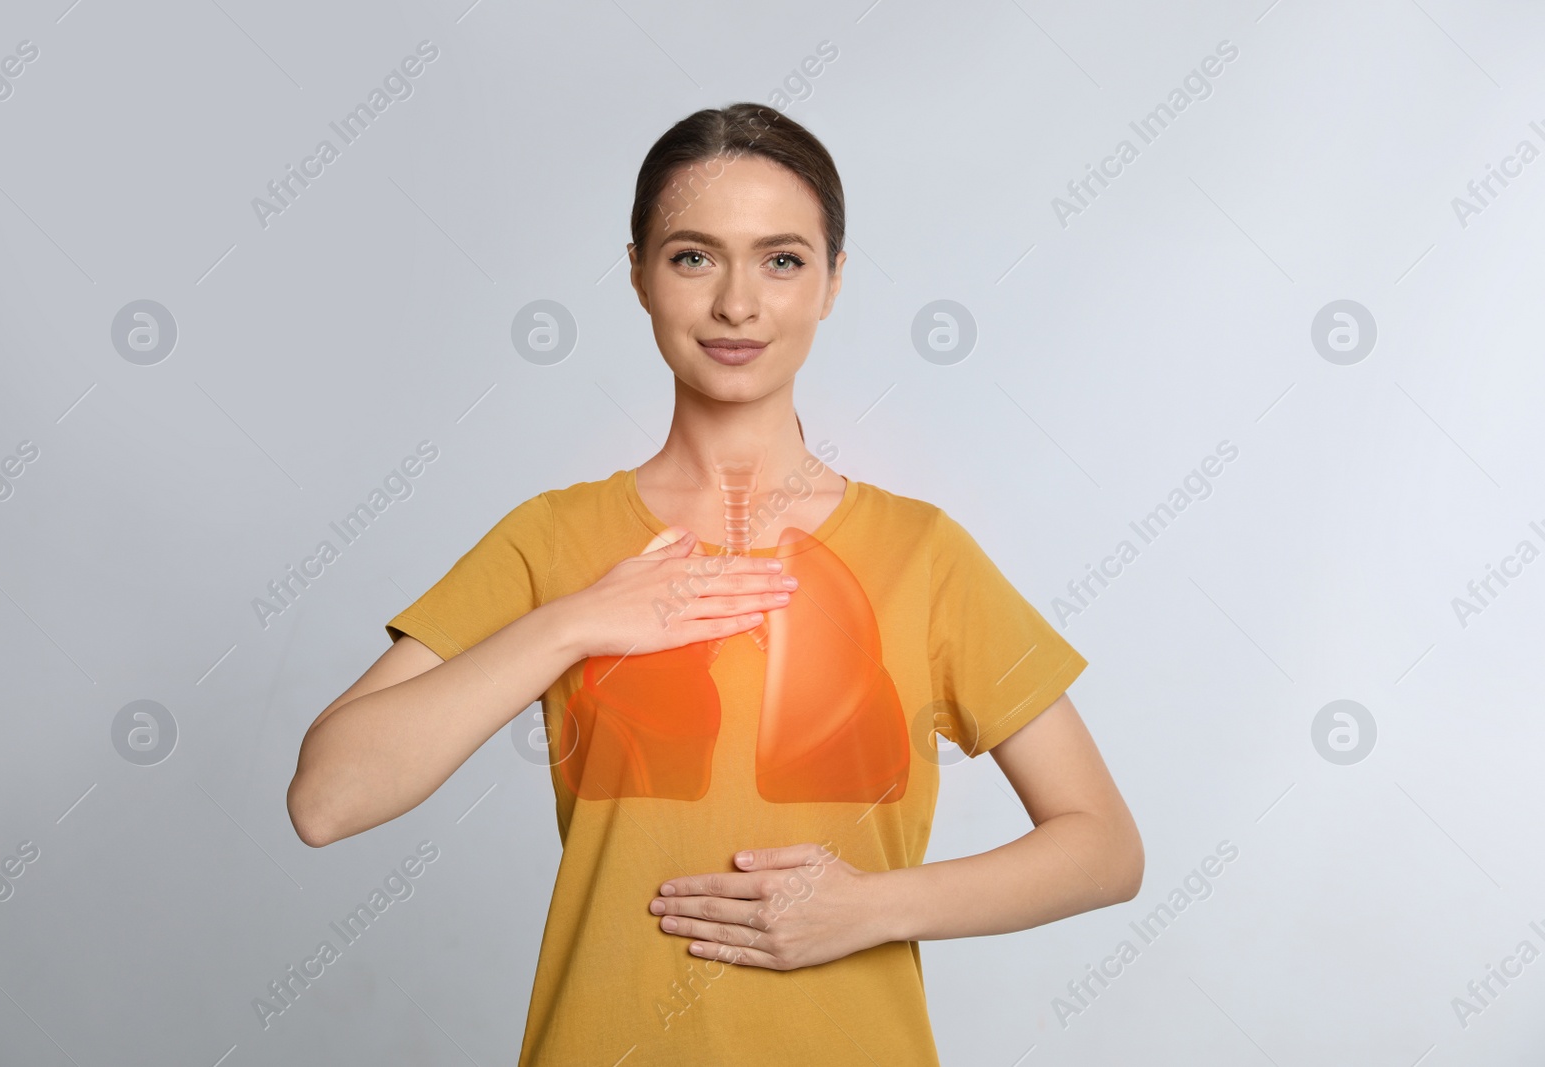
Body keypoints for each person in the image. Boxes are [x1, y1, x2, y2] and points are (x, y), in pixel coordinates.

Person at [286, 102, 1144, 1066]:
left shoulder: (922, 553)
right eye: (694, 256)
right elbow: (328, 799)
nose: (738, 304)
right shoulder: (555, 538)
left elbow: (1104, 846)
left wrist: (868, 907)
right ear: (641, 277)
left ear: (831, 284)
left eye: (782, 260)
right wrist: (572, 624)